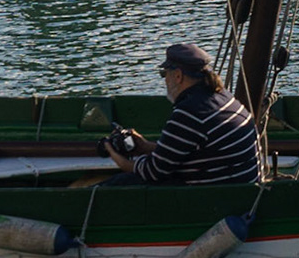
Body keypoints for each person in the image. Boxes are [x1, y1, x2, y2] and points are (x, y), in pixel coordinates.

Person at [104, 43, 260, 186]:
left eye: (164, 74)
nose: (165, 80)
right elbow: (193, 152)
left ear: (178, 76)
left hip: (213, 196)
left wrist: (117, 157)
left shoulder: (189, 113)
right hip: (241, 188)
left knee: (118, 184)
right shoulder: (223, 96)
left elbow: (152, 172)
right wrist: (147, 147)